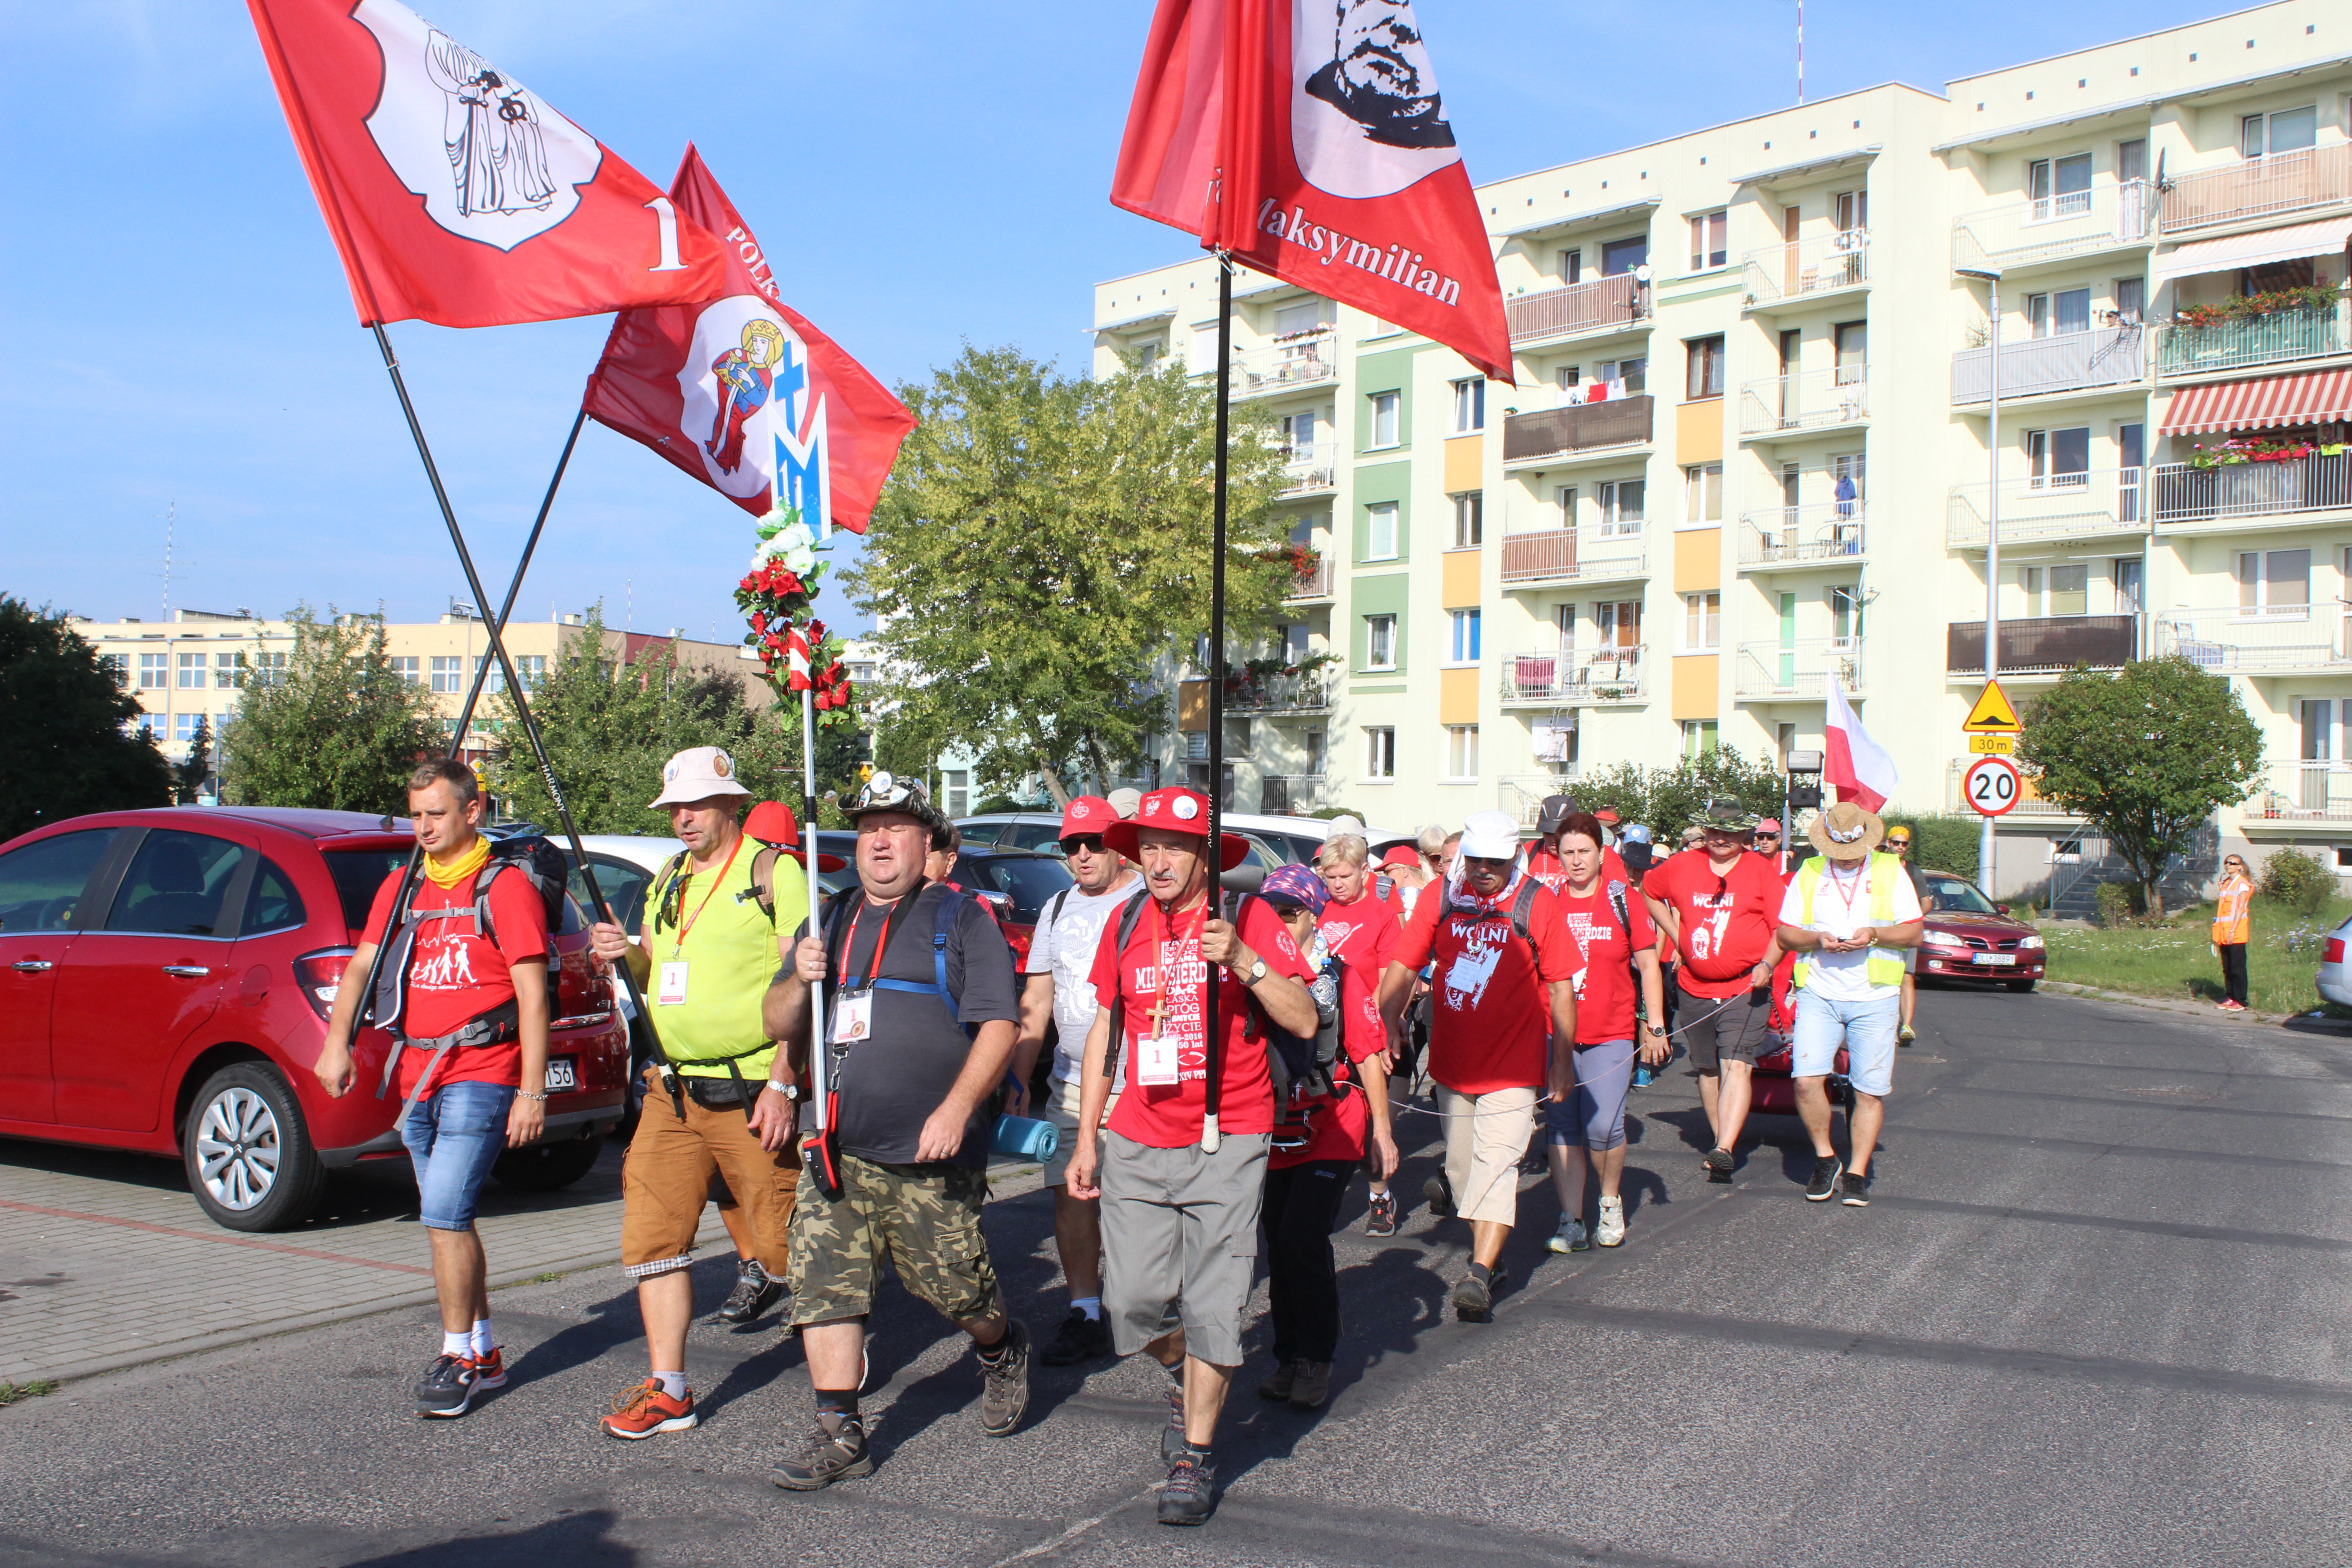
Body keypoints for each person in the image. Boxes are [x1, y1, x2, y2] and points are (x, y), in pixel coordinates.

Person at [762, 772, 1028, 1491]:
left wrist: (956, 1108)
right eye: (869, 827)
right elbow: (781, 1023)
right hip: (839, 1148)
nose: (879, 839)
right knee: (825, 1285)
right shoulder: (833, 918)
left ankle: (1001, 1348)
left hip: (929, 1151)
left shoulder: (964, 919)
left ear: (925, 841)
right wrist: (798, 977)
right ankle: (839, 1430)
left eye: (896, 827)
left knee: (955, 1288)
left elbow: (1001, 1025)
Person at [1066, 785, 1320, 1525]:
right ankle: (1181, 1367)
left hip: (1228, 1130)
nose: (1157, 859)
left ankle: (1194, 1454)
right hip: (1139, 1133)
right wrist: (1087, 1135)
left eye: (1175, 846)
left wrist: (1242, 959)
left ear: (1206, 856)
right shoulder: (1123, 922)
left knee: (1214, 1299)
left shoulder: (1249, 917)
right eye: (1146, 846)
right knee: (1131, 1303)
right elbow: (1103, 1035)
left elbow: (1303, 1016)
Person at [314, 759, 549, 1420]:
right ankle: (484, 1349)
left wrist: (532, 1093)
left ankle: (457, 1357)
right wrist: (336, 1042)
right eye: (416, 814)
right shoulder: (402, 884)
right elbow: (363, 964)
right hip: (415, 1076)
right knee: (451, 1221)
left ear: (472, 813)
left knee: (443, 1214)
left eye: (436, 814)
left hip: (481, 1072)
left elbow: (533, 995)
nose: (423, 827)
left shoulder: (503, 888)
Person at [586, 749, 808, 1439]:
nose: (684, 817)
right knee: (654, 1236)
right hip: (672, 1090)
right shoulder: (667, 879)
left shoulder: (775, 871)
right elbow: (656, 971)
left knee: (783, 1248)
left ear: (731, 805)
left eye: (698, 805)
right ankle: (669, 1388)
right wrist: (624, 953)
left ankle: (840, 1351)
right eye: (675, 808)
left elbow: (805, 987)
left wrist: (783, 1080)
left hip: (751, 1089)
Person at [1380, 810, 1577, 1323]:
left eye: (1495, 860)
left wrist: (1561, 1063)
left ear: (1516, 855)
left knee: (1499, 1164)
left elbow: (1560, 988)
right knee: (1465, 1171)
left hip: (1514, 1064)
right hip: (1453, 1063)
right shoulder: (1441, 896)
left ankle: (1480, 1272)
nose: (1483, 869)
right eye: (1475, 859)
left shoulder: (1537, 902)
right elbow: (1404, 965)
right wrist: (1389, 1018)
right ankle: (1493, 1258)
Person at [1253, 865, 1397, 1412]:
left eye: (1290, 912)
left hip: (1333, 1125)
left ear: (1315, 916)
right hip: (1274, 1128)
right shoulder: (1255, 975)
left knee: (1301, 1238)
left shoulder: (1338, 976)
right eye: (1270, 912)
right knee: (1278, 1242)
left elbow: (1365, 1053)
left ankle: (1316, 1358)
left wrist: (1383, 1132)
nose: (1279, 922)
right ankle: (1288, 1357)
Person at [1009, 795, 1143, 1367]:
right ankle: (1086, 1310)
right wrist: (1019, 1080)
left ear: (1118, 846)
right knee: (1071, 1197)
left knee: (1141, 1204)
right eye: (1072, 846)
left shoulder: (1147, 901)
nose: (1083, 855)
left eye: (1094, 843)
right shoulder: (1057, 907)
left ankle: (1151, 1306)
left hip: (1141, 1084)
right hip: (1068, 1082)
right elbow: (1037, 1001)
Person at [1776, 802, 1924, 1206]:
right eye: (1837, 850)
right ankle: (1826, 1158)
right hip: (1820, 993)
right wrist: (1818, 939)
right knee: (1806, 1082)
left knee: (1868, 1089)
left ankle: (1857, 1170)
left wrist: (1874, 934)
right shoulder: (1808, 872)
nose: (1844, 858)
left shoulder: (1892, 871)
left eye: (1851, 850)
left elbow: (1914, 934)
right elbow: (1786, 935)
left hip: (1875, 995)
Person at [1542, 814, 1667, 1252]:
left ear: (1601, 854)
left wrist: (1655, 1026)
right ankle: (1571, 1220)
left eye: (1584, 852)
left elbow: (1649, 965)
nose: (1576, 861)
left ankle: (1609, 1202)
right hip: (1555, 1033)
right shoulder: (1547, 900)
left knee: (1602, 1126)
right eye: (1568, 852)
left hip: (1610, 1031)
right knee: (1560, 1126)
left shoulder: (1623, 899)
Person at [1642, 803, 1784, 1183]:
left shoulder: (1761, 872)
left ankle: (1723, 1148)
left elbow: (1781, 929)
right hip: (1693, 985)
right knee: (1706, 1067)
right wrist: (1676, 938)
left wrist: (1766, 964)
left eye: (1731, 833)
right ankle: (1723, 1138)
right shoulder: (1683, 864)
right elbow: (1650, 893)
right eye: (1714, 831)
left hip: (1744, 988)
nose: (1721, 839)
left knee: (1736, 1064)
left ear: (1744, 836)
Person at [1316, 833, 1403, 1236]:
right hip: (1320, 1030)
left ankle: (1379, 1196)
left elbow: (1388, 981)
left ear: (1365, 872)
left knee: (1371, 1122)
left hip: (1366, 1026)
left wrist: (1379, 1028)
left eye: (1345, 876)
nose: (1337, 884)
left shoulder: (1381, 915)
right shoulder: (1316, 909)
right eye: (1330, 876)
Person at [1882, 823, 1930, 1043]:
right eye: (1896, 843)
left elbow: (1927, 902)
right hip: (1882, 931)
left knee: (1907, 977)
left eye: (1904, 844)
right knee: (1883, 978)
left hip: (1906, 931)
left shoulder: (1913, 871)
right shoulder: (1879, 866)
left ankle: (1906, 1026)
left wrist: (1911, 920)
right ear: (1888, 844)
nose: (1900, 847)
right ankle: (1885, 1026)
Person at [2213, 854, 2254, 1013]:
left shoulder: (2242, 884)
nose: (2228, 865)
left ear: (2240, 867)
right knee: (2227, 967)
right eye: (2227, 862)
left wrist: (2232, 931)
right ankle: (2230, 997)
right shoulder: (2227, 884)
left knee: (2237, 968)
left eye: (2233, 863)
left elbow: (2241, 908)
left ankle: (2240, 1001)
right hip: (2224, 932)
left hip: (2236, 932)